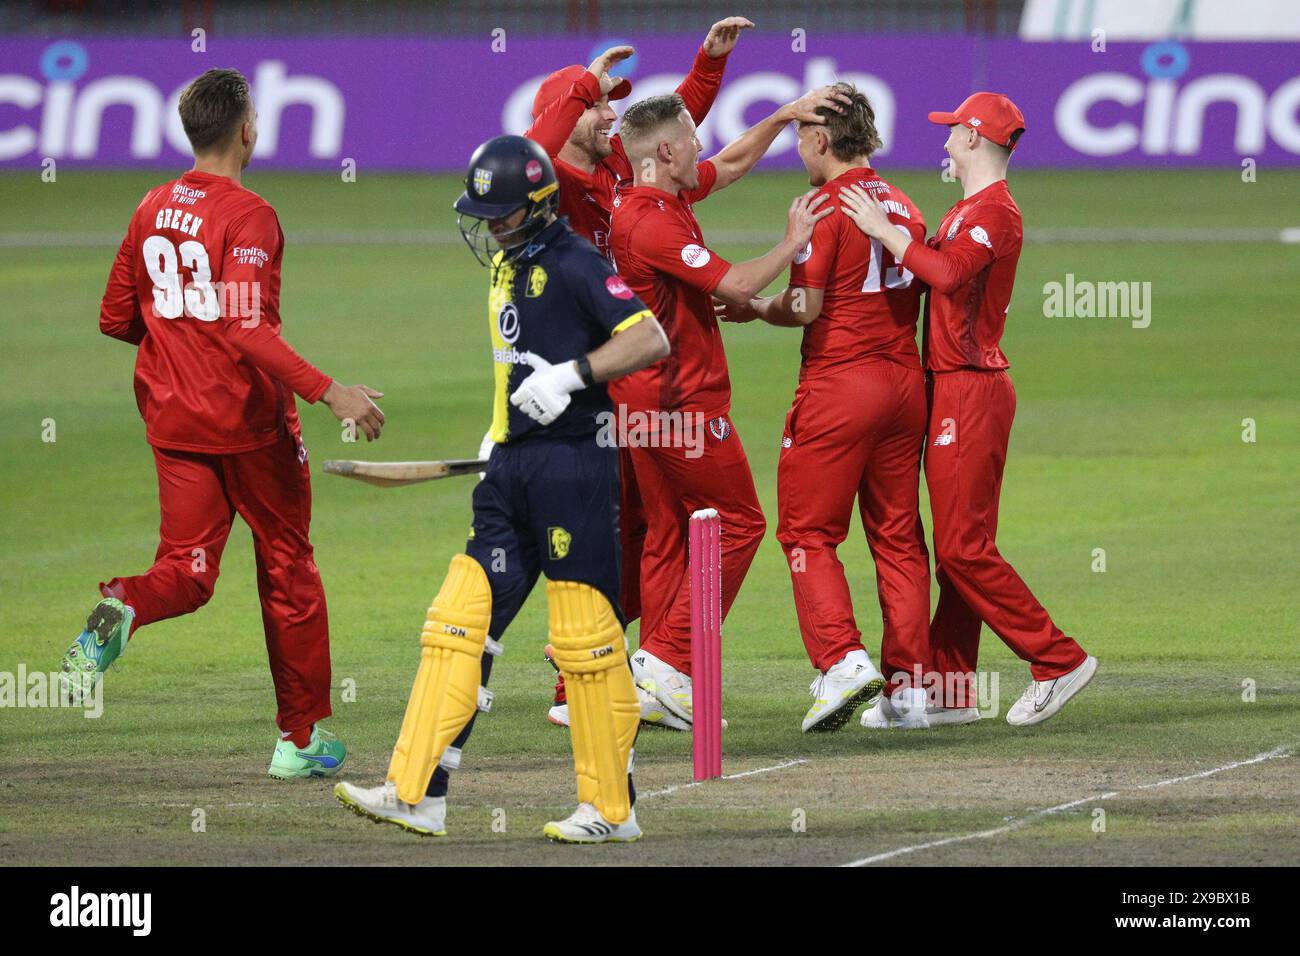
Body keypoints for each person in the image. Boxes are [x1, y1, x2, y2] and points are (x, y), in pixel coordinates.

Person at [334, 136, 670, 842]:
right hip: (511, 467)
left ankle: (611, 811)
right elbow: (512, 365)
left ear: (540, 208)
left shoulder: (577, 263)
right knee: (455, 622)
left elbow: (649, 340)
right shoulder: (508, 264)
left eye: (501, 214)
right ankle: (415, 794)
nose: (489, 226)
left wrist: (573, 375)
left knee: (583, 641)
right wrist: (499, 430)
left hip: (574, 470)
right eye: (482, 213)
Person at [59, 68, 386, 778]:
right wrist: (333, 393)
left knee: (187, 571)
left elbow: (118, 316)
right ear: (247, 128)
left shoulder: (151, 204)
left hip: (173, 421)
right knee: (288, 566)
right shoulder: (249, 214)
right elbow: (248, 330)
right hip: (247, 426)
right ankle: (299, 742)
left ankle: (118, 613)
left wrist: (179, 347)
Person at [838, 92, 1097, 728]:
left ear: (977, 139)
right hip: (949, 385)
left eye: (953, 132)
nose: (946, 142)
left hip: (971, 388)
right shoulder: (967, 210)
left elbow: (948, 276)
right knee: (963, 544)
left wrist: (886, 231)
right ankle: (952, 688)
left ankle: (1057, 659)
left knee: (961, 548)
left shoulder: (995, 213)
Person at [524, 18, 751, 727]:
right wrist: (582, 81)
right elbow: (534, 146)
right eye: (598, 107)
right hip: (578, 378)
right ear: (570, 116)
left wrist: (707, 68)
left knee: (648, 528)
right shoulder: (549, 182)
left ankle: (645, 669)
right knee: (602, 531)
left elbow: (671, 138)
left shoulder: (622, 172)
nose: (610, 113)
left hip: (629, 376)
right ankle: (581, 679)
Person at [609, 88, 844, 725]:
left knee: (667, 536)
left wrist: (779, 115)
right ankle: (661, 661)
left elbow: (735, 163)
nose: (702, 146)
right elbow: (737, 284)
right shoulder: (652, 221)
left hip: (640, 401)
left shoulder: (658, 196)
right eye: (690, 137)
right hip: (680, 405)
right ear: (664, 150)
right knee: (739, 525)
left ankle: (662, 685)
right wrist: (794, 241)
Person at [719, 83, 932, 732]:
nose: (796, 152)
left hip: (840, 386)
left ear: (818, 138)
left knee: (808, 533)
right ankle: (912, 691)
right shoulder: (905, 203)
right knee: (897, 536)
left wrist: (754, 307)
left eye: (799, 140)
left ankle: (841, 659)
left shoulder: (821, 208)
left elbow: (806, 307)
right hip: (905, 385)